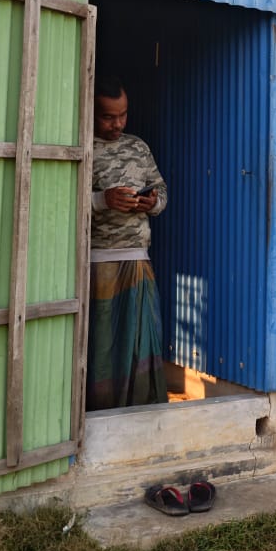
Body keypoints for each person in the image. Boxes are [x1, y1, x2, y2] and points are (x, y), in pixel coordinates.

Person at [87, 78, 169, 411]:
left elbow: (161, 190)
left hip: (137, 260)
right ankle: (98, 409)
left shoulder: (138, 147)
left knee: (140, 341)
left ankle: (140, 408)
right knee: (102, 345)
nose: (117, 124)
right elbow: (56, 200)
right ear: (91, 113)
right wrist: (101, 200)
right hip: (96, 262)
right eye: (108, 117)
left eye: (122, 115)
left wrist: (153, 203)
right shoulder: (79, 147)